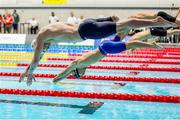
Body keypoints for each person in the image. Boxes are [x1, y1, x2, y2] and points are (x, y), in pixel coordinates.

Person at [19, 15, 176, 86]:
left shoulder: (41, 38)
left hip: (86, 31)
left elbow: (35, 59)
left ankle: (155, 21)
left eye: (43, 48)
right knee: (121, 27)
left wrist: (30, 73)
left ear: (38, 44)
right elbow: (38, 57)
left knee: (123, 26)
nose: (45, 49)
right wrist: (27, 71)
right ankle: (152, 23)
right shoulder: (47, 32)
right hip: (85, 24)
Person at [53, 28, 180, 83]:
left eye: (81, 74)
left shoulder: (78, 63)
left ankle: (151, 45)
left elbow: (66, 70)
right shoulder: (83, 64)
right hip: (105, 46)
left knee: (130, 44)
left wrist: (56, 79)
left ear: (77, 71)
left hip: (105, 48)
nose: (84, 73)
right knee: (121, 37)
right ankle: (125, 27)